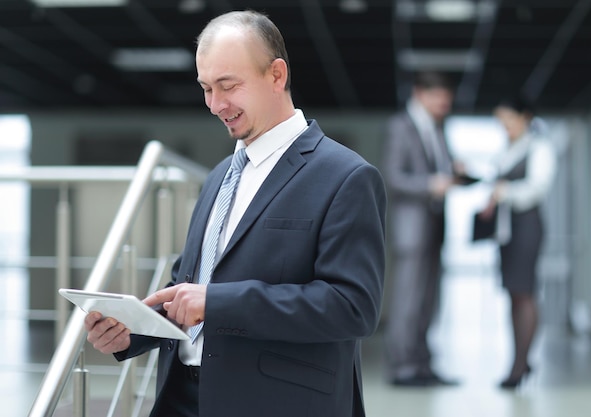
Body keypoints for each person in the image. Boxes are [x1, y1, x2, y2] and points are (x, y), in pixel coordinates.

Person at [84, 10, 386, 417]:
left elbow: (352, 307)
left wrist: (216, 302)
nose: (215, 105)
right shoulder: (219, 177)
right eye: (206, 88)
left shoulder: (346, 176)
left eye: (228, 86)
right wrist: (131, 333)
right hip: (182, 399)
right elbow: (190, 284)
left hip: (276, 403)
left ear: (276, 75)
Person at [382, 71, 461, 386]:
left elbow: (440, 165)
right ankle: (402, 368)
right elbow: (394, 176)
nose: (444, 104)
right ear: (420, 94)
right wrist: (431, 184)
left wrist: (453, 170)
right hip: (411, 229)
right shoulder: (401, 126)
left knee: (428, 300)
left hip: (435, 225)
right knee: (407, 300)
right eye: (438, 97)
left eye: (447, 98)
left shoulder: (436, 128)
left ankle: (422, 364)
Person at [478, 95, 557, 389]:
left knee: (524, 293)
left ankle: (520, 365)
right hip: (507, 231)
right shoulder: (509, 149)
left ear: (525, 117)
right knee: (514, 293)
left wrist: (504, 192)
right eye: (501, 122)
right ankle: (520, 359)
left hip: (527, 228)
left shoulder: (540, 147)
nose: (505, 127)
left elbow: (536, 188)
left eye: (508, 120)